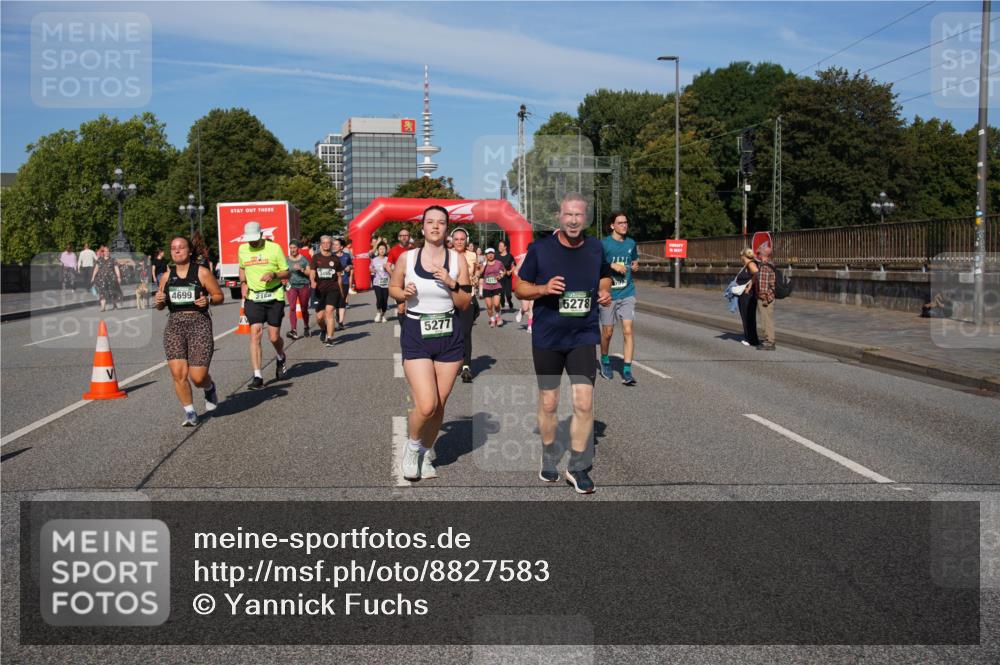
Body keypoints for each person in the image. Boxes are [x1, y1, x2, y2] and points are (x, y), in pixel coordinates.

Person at [515, 192, 612, 494]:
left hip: (583, 335)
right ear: (559, 216)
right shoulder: (541, 250)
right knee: (549, 402)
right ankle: (548, 452)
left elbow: (605, 277)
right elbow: (519, 287)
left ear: (586, 218)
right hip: (548, 337)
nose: (573, 220)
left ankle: (578, 466)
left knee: (584, 402)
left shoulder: (596, 248)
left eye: (579, 215)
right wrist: (543, 289)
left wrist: (605, 291)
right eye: (568, 215)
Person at [389, 206, 472, 481]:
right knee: (426, 404)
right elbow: (393, 288)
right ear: (422, 227)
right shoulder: (407, 258)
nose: (435, 227)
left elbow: (464, 303)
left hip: (449, 335)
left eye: (441, 223)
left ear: (447, 228)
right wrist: (403, 293)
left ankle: (425, 452)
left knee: (439, 406)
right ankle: (412, 448)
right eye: (430, 222)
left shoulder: (458, 261)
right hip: (416, 333)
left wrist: (450, 282)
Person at [155, 236, 224, 426]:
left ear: (190, 251)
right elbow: (161, 305)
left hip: (198, 323)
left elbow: (219, 296)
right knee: (178, 374)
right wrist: (159, 302)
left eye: (181, 248)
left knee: (198, 377)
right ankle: (190, 412)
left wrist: (209, 300)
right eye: (173, 248)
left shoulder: (201, 273)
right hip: (175, 325)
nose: (176, 251)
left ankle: (209, 387)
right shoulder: (167, 276)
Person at [238, 221, 290, 388]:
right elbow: (242, 268)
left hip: (274, 296)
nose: (252, 242)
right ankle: (257, 376)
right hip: (254, 297)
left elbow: (287, 271)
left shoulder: (274, 248)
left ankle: (281, 356)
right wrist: (243, 283)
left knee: (273, 337)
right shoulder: (243, 249)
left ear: (261, 235)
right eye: (249, 239)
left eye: (255, 239)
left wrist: (274, 274)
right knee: (255, 333)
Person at [599, 211, 640, 385]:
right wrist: (611, 265)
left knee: (628, 330)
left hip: (627, 292)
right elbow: (596, 264)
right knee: (607, 333)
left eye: (626, 222)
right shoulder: (604, 244)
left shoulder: (631, 243)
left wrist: (635, 265)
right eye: (620, 222)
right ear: (612, 226)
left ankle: (627, 370)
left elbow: (634, 259)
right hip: (609, 294)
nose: (624, 225)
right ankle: (605, 359)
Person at [451, 229, 479, 383]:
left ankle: (466, 365)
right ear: (452, 240)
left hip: (468, 297)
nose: (460, 241)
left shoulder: (472, 255)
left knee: (465, 332)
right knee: (452, 332)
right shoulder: (446, 254)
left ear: (466, 240)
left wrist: (475, 278)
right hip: (449, 298)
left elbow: (476, 272)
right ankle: (454, 361)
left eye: (462, 239)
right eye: (457, 239)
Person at [311, 235, 346, 346]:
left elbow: (339, 276)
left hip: (333, 289)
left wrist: (341, 292)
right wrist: (312, 281)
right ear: (321, 244)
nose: (326, 244)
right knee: (319, 317)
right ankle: (323, 329)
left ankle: (330, 338)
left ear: (331, 244)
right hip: (320, 290)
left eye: (328, 243)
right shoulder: (316, 258)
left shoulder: (335, 259)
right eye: (324, 243)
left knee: (329, 312)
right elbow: (312, 273)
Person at [285, 240, 312, 340]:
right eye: (291, 248)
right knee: (292, 307)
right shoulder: (286, 260)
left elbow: (309, 273)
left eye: (294, 248)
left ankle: (306, 326)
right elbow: (284, 271)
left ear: (298, 248)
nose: (292, 250)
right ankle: (294, 330)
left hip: (303, 285)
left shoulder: (304, 259)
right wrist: (283, 278)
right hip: (291, 286)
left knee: (304, 308)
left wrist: (302, 269)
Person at [754, 243, 777, 351]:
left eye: (760, 251)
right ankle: (769, 339)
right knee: (768, 319)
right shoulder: (770, 263)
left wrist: (763, 299)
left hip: (765, 298)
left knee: (765, 320)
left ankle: (769, 341)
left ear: (763, 254)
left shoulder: (764, 267)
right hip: (771, 295)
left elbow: (763, 285)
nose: (757, 252)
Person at [735, 248, 760, 347]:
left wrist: (750, 284)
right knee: (748, 316)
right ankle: (751, 338)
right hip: (746, 294)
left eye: (741, 256)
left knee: (747, 316)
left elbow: (757, 273)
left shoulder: (750, 264)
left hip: (748, 295)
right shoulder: (748, 265)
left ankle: (750, 339)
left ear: (743, 256)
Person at [387, 228, 412, 320]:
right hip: (400, 282)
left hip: (413, 281)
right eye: (402, 236)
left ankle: (411, 329)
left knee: (411, 307)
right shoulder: (394, 250)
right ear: (399, 238)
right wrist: (394, 276)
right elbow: (388, 266)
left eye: (406, 235)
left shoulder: (414, 248)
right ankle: (404, 329)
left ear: (409, 237)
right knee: (401, 307)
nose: (404, 237)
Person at [91, 246, 122, 311]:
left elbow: (116, 268)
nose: (107, 252)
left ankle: (115, 304)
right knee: (102, 292)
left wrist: (118, 277)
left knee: (112, 292)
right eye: (105, 251)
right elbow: (96, 268)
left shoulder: (113, 260)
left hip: (111, 279)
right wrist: (93, 277)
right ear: (103, 252)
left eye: (108, 251)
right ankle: (103, 307)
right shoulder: (99, 259)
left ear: (109, 252)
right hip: (101, 279)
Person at [332, 237, 352, 330]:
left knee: (342, 301)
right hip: (333, 282)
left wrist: (349, 267)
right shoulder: (331, 256)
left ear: (341, 247)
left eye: (336, 245)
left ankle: (340, 322)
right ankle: (337, 315)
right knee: (335, 302)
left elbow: (351, 264)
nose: (334, 246)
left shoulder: (347, 255)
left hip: (344, 281)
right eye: (334, 244)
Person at [481, 248, 505, 327]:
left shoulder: (499, 263)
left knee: (497, 304)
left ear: (494, 254)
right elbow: (480, 272)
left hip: (496, 286)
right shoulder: (484, 264)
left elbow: (504, 271)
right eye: (488, 254)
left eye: (492, 253)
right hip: (486, 287)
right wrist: (484, 264)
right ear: (486, 255)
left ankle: (498, 317)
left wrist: (501, 275)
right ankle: (492, 319)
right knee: (489, 306)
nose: (490, 255)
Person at [370, 242, 391, 322]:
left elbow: (392, 268)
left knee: (385, 300)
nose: (382, 250)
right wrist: (372, 270)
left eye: (383, 249)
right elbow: (370, 268)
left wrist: (388, 268)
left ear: (386, 250)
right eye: (380, 249)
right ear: (378, 250)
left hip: (386, 282)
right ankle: (378, 312)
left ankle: (383, 315)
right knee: (379, 299)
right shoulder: (374, 260)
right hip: (377, 282)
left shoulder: (388, 259)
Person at [497, 240, 515, 312]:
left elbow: (514, 266)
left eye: (501, 246)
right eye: (499, 246)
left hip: (507, 277)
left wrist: (510, 271)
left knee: (508, 294)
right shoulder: (496, 256)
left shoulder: (510, 256)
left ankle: (509, 301)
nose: (499, 247)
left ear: (505, 247)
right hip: (500, 277)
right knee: (501, 293)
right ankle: (502, 304)